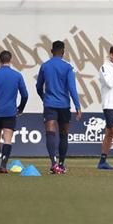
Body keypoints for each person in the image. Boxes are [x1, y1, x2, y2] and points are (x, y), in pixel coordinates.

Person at [36, 40, 82, 174]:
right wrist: (78, 106)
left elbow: (39, 86)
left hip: (50, 104)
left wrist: (43, 97)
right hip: (64, 105)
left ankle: (53, 163)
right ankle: (61, 164)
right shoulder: (68, 67)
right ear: (63, 52)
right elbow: (72, 88)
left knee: (50, 132)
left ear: (51, 51)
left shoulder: (45, 66)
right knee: (63, 134)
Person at [0, 50, 28, 173]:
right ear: (10, 60)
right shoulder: (17, 75)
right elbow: (25, 95)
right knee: (8, 139)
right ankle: (4, 165)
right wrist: (20, 108)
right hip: (10, 112)